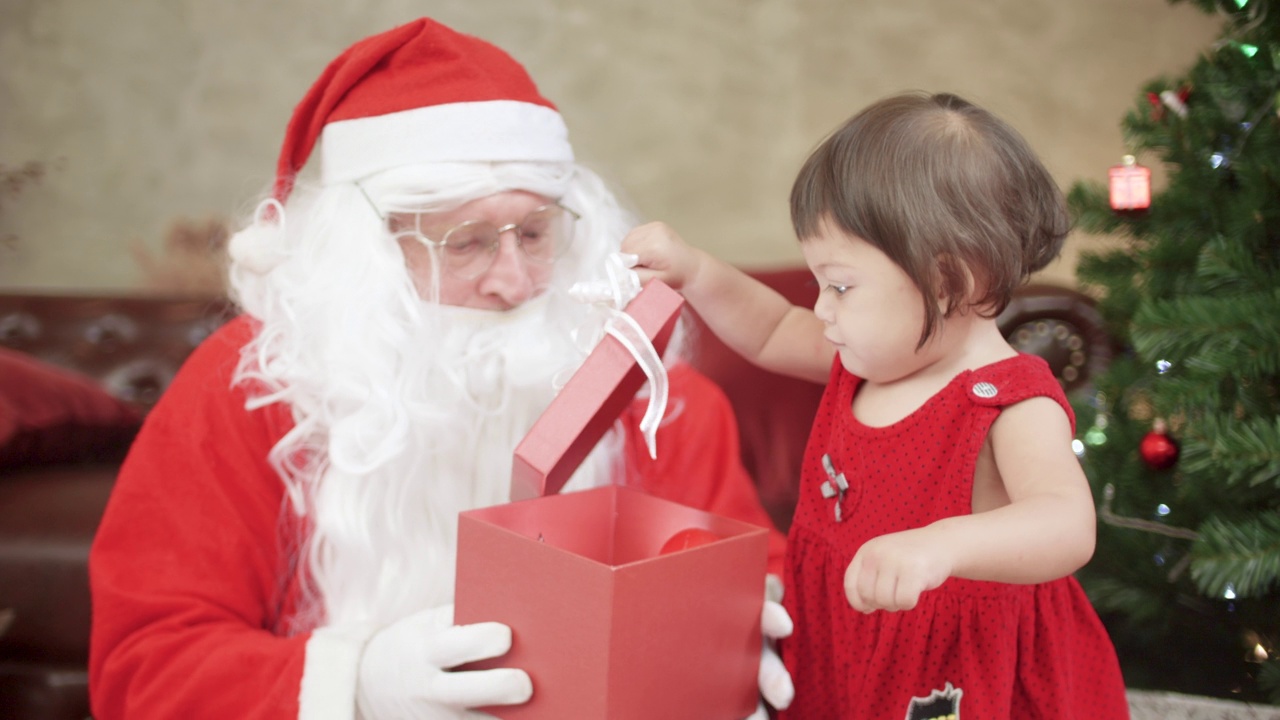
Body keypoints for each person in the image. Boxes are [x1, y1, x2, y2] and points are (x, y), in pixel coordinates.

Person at [88, 17, 794, 720]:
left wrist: (744, 644)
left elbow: (758, 577)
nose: (514, 281)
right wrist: (352, 685)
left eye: (536, 232)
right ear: (363, 255)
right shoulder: (245, 389)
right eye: (468, 244)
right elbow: (142, 667)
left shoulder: (655, 396)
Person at [623, 91, 1131, 718]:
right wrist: (696, 271)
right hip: (842, 627)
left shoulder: (1008, 400)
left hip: (951, 663)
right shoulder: (864, 361)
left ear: (950, 283)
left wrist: (940, 546)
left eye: (840, 285)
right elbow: (771, 329)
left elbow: (1066, 524)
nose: (821, 308)